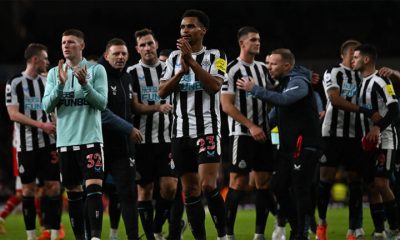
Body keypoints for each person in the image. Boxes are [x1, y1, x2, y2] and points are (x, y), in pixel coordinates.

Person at [237, 48, 321, 240]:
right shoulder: (283, 84)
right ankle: (298, 226)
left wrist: (254, 89)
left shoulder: (298, 82)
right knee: (278, 186)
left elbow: (283, 101)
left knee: (300, 190)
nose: (269, 67)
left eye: (273, 63)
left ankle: (301, 233)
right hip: (288, 148)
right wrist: (254, 129)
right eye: (268, 63)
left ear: (287, 66)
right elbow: (273, 117)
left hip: (305, 145)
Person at [158, 9, 227, 240]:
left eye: (190, 26)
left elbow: (214, 86)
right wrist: (179, 73)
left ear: (202, 30)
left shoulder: (218, 55)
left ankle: (223, 234)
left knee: (208, 186)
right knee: (189, 190)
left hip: (207, 129)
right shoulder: (172, 59)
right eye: (182, 27)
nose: (185, 30)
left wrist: (191, 63)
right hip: (179, 133)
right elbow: (161, 91)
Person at [42, 29, 108, 240]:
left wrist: (85, 84)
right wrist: (61, 86)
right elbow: (46, 106)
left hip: (90, 140)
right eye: (63, 42)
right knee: (74, 195)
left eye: (71, 42)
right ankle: (80, 237)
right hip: (65, 144)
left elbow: (102, 103)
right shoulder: (54, 73)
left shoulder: (96, 70)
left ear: (82, 46)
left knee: (94, 188)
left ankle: (96, 237)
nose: (66, 46)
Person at [220, 26, 275, 240]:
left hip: (264, 134)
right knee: (238, 183)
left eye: (259, 39)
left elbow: (273, 95)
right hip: (242, 135)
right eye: (253, 39)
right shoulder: (231, 69)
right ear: (242, 43)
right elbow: (227, 105)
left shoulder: (263, 68)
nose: (258, 43)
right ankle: (227, 234)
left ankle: (259, 234)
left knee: (263, 183)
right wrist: (251, 126)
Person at [5, 43, 61, 240]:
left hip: (48, 144)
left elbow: (52, 108)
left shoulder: (46, 82)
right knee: (28, 189)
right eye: (45, 58)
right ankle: (31, 236)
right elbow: (13, 114)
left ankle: (54, 233)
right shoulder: (15, 82)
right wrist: (40, 125)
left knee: (53, 187)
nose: (47, 62)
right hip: (26, 145)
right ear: (35, 59)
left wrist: (53, 121)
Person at [127, 28, 179, 240]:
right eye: (143, 45)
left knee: (169, 188)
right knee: (145, 190)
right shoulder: (131, 73)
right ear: (137, 49)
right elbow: (135, 107)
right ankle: (150, 236)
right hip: (142, 141)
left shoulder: (171, 68)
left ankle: (157, 228)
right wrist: (158, 107)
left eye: (150, 43)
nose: (147, 48)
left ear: (156, 44)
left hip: (168, 139)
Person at [316, 39, 367, 240]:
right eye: (353, 54)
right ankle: (322, 223)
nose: (356, 58)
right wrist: (364, 110)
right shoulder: (333, 72)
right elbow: (335, 100)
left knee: (356, 181)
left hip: (355, 135)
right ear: (343, 55)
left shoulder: (363, 76)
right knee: (325, 179)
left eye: (359, 54)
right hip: (331, 135)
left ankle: (353, 229)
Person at [352, 44, 400, 239]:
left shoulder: (381, 80)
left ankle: (396, 229)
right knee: (371, 185)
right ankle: (379, 230)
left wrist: (378, 127)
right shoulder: (362, 83)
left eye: (355, 57)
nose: (352, 60)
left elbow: (395, 109)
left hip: (385, 139)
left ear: (366, 59)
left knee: (382, 184)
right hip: (368, 142)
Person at [98, 37, 142, 240]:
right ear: (106, 55)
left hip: (124, 149)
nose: (121, 57)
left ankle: (132, 237)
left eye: (124, 53)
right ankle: (93, 236)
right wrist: (129, 128)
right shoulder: (98, 75)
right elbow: (101, 112)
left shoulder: (126, 78)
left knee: (129, 195)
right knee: (94, 194)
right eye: (116, 53)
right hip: (99, 146)